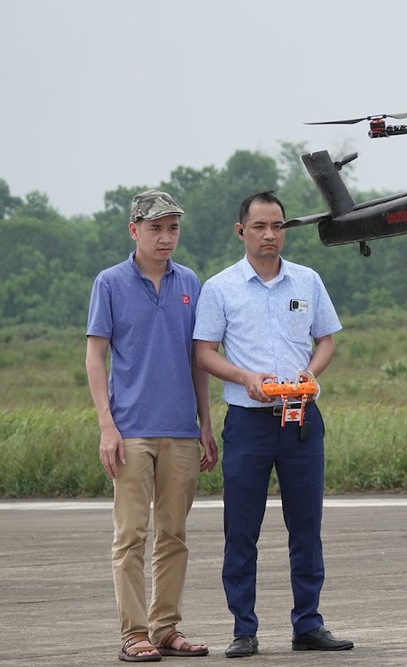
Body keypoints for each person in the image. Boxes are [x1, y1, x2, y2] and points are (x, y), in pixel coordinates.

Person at [192, 190, 353, 658]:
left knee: (306, 526)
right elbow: (203, 353)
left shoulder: (307, 280)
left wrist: (311, 372)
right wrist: (245, 377)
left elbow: (326, 340)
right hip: (249, 421)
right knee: (242, 528)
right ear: (241, 231)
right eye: (260, 227)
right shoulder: (220, 288)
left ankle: (308, 623)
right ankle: (244, 627)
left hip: (301, 417)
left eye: (278, 226)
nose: (270, 235)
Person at [85, 189, 219, 662]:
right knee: (130, 536)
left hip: (182, 430)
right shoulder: (110, 283)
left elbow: (199, 359)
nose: (166, 237)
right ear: (134, 230)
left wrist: (206, 423)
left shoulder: (190, 282)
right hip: (131, 432)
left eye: (173, 228)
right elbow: (95, 355)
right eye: (156, 228)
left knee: (174, 535)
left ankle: (166, 629)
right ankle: (133, 634)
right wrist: (107, 425)